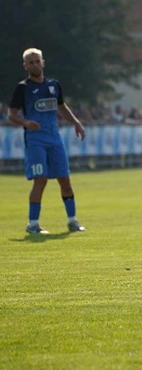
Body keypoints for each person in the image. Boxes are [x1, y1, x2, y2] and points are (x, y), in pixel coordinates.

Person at [7, 48, 86, 234]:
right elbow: (12, 114)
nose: (34, 64)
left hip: (55, 139)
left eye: (37, 61)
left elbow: (61, 106)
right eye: (30, 62)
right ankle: (33, 224)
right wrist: (26, 122)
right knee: (40, 180)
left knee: (65, 179)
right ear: (25, 65)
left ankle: (72, 221)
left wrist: (76, 122)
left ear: (43, 62)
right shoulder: (23, 88)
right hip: (35, 140)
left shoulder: (54, 85)